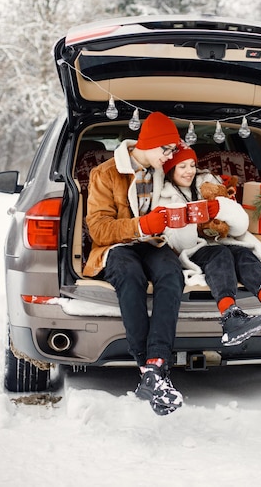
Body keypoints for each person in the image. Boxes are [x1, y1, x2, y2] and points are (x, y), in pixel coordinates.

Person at [83, 112, 185, 416]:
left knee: (171, 273)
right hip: (117, 245)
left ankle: (155, 364)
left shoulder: (163, 172)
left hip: (154, 244)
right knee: (130, 275)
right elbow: (98, 229)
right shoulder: (106, 173)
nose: (169, 157)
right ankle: (147, 368)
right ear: (149, 144)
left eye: (172, 152)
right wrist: (141, 225)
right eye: (165, 150)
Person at [160, 144, 261, 346]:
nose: (189, 171)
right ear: (170, 170)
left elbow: (240, 228)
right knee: (220, 255)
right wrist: (187, 217)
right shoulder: (164, 196)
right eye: (182, 166)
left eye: (192, 165)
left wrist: (220, 208)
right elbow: (179, 242)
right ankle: (230, 316)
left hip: (223, 240)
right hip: (192, 249)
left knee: (244, 254)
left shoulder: (210, 184)